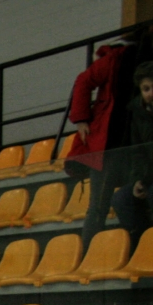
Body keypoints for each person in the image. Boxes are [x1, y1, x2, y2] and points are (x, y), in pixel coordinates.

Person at [69, 29, 153, 243]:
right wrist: (81, 119)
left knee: (120, 201)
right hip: (111, 146)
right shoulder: (115, 58)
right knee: (98, 206)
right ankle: (88, 253)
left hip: (133, 145)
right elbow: (83, 81)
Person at [111, 62, 153, 250]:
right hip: (148, 176)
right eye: (146, 89)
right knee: (121, 199)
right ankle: (141, 245)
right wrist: (137, 180)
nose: (151, 93)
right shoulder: (137, 113)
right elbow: (137, 152)